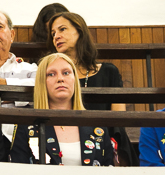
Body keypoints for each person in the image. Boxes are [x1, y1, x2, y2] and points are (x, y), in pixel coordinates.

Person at [48, 11, 137, 165]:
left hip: (105, 142)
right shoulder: (54, 77)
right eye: (53, 33)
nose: (56, 36)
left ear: (79, 31)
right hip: (65, 142)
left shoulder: (108, 71)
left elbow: (118, 119)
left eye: (62, 29)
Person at [10, 53, 114, 166]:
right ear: (42, 82)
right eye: (51, 74)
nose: (60, 79)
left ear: (74, 79)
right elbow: (19, 171)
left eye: (66, 73)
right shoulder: (25, 126)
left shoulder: (96, 125)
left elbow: (108, 169)